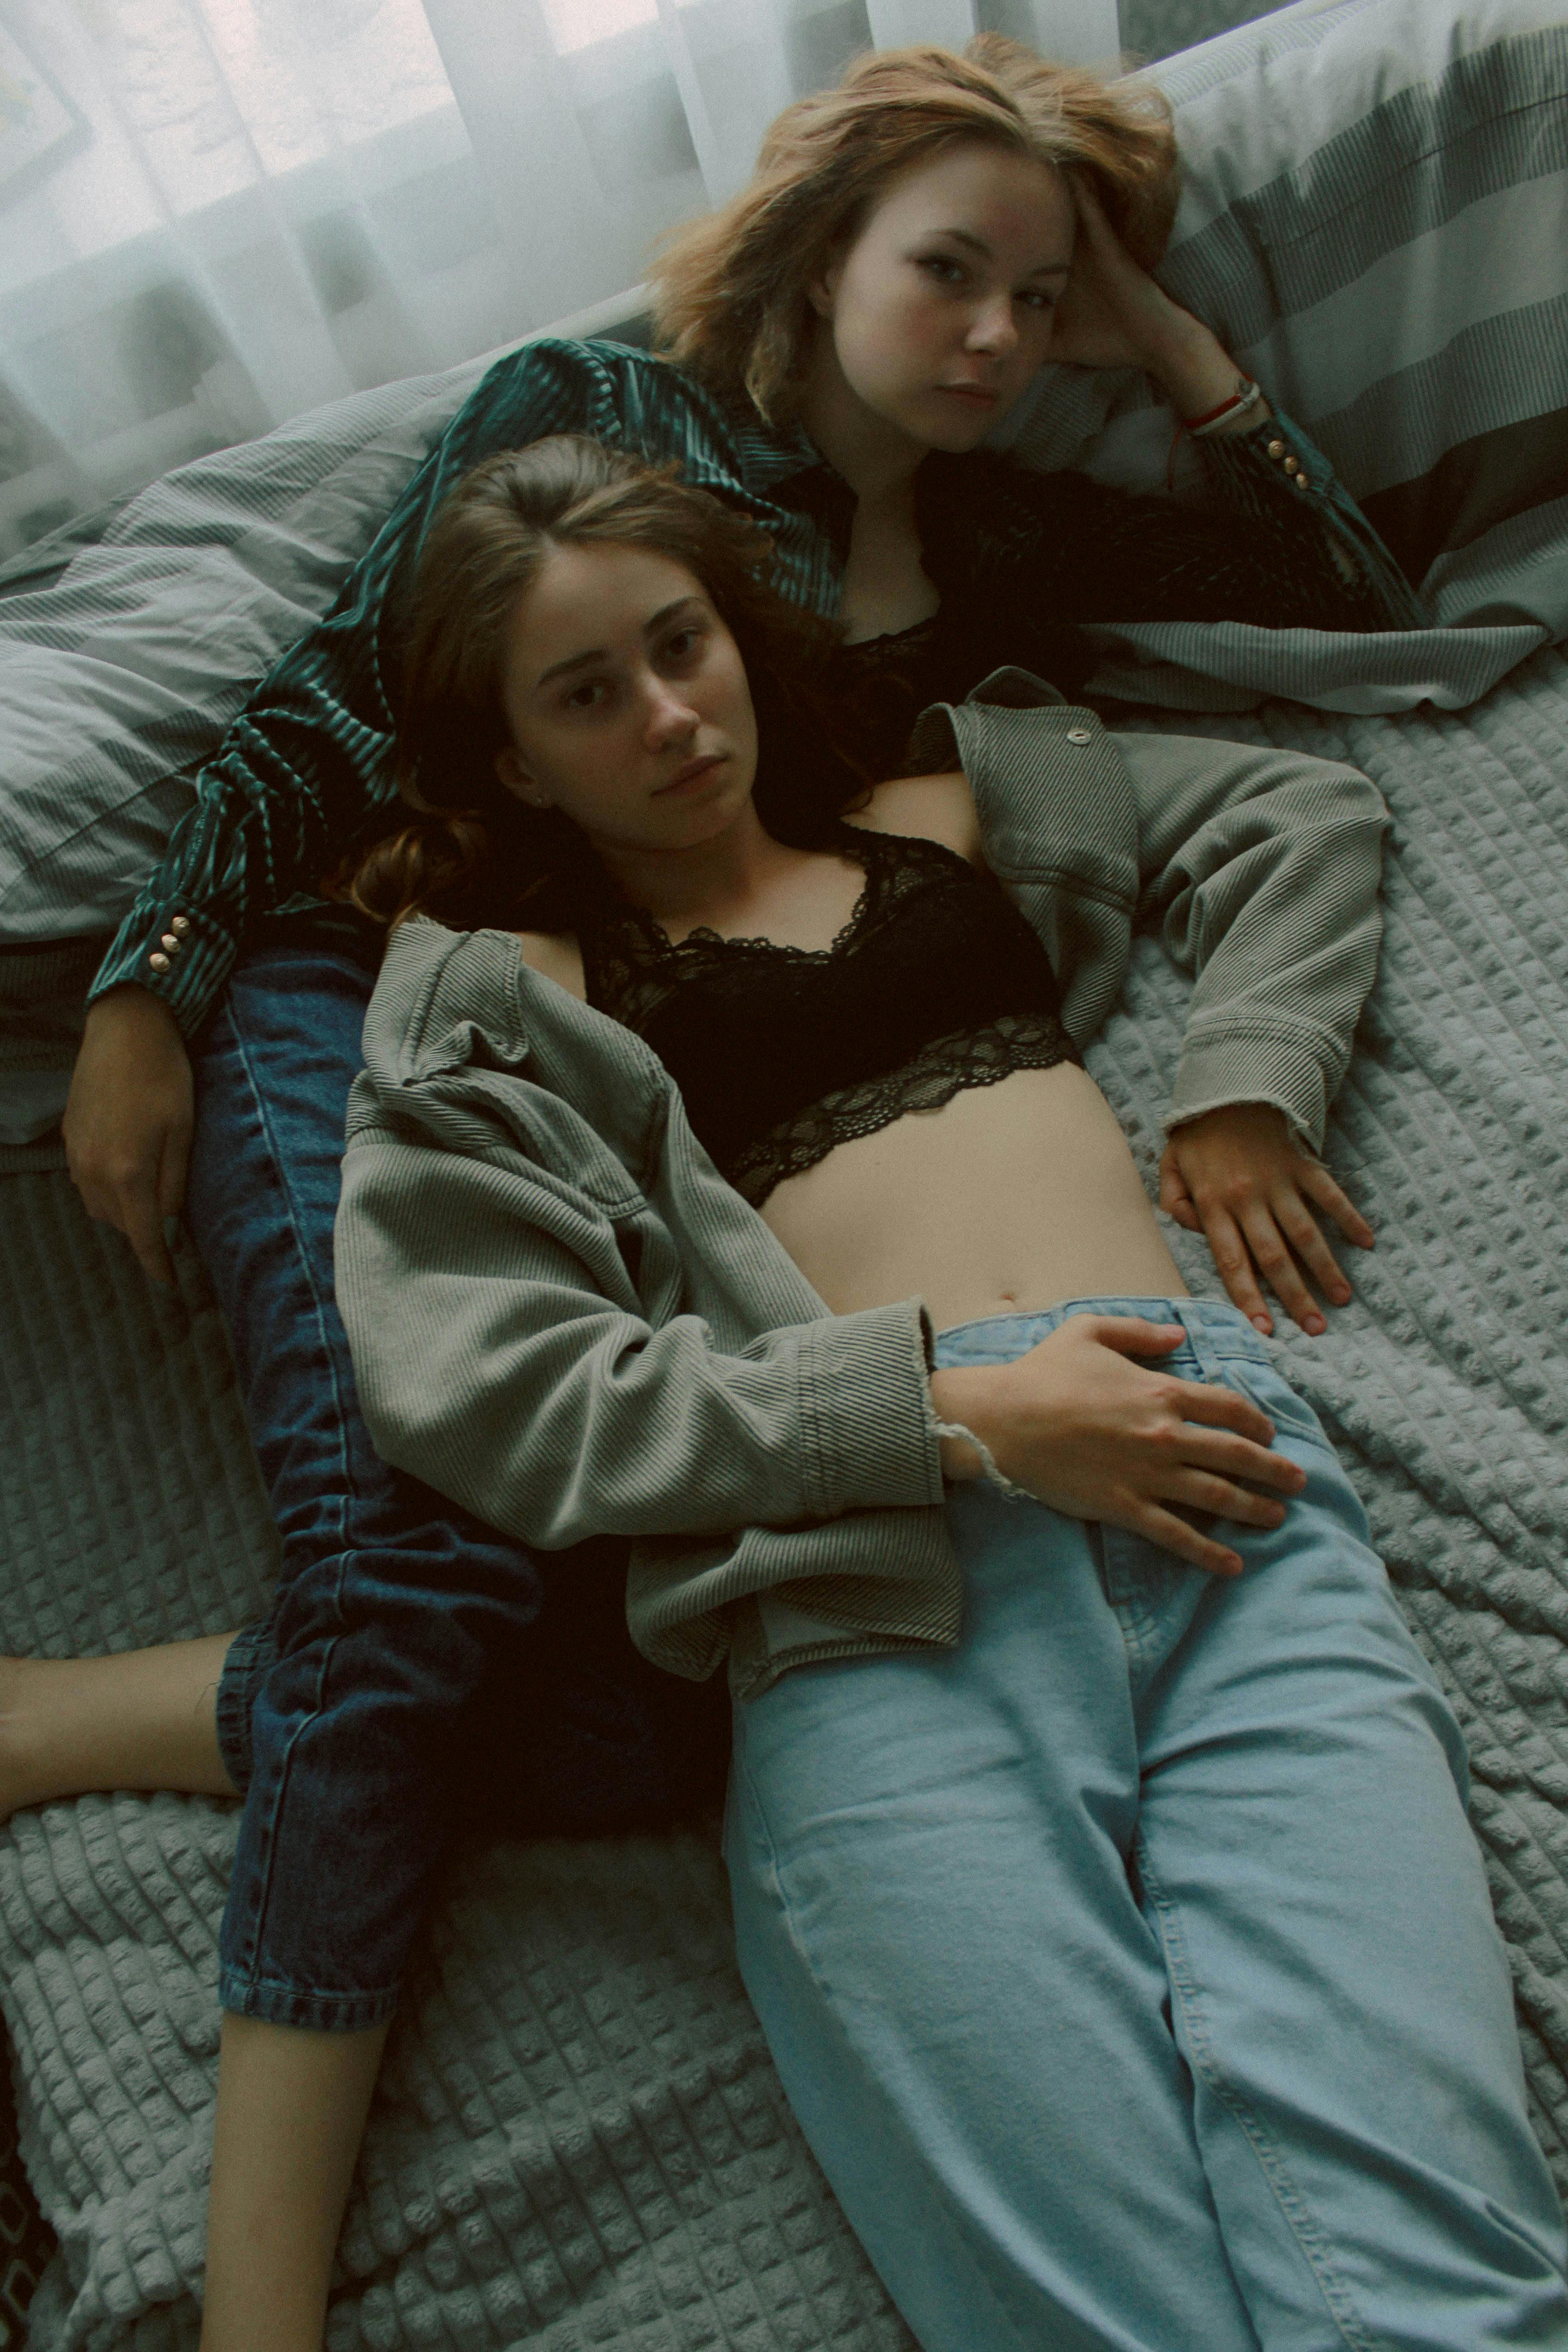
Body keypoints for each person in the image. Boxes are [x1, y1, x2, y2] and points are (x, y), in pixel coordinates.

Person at [13, 434, 1557, 2348]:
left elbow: (1292, 814)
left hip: (1220, 1485)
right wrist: (960, 1418)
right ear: (517, 762)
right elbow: (489, 1386)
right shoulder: (501, 991)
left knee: (1450, 2275)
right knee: (1089, 2313)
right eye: (588, 694)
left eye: (683, 645)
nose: (670, 717)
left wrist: (1247, 1078)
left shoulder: (944, 805)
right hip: (872, 1587)